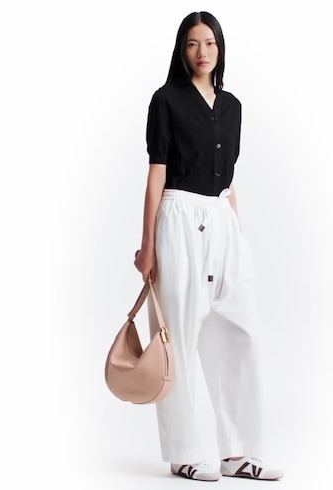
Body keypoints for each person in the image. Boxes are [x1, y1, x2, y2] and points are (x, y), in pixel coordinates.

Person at [134, 11, 284, 482]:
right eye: (193, 43)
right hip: (178, 217)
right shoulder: (166, 100)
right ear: (182, 50)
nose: (203, 52)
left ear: (220, 48)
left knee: (239, 332)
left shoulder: (233, 106)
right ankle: (184, 452)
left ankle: (238, 452)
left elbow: (229, 179)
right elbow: (156, 176)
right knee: (177, 336)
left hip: (222, 219)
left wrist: (237, 231)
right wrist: (147, 246)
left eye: (211, 43)